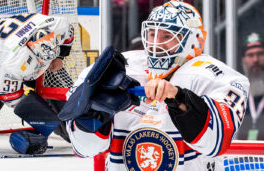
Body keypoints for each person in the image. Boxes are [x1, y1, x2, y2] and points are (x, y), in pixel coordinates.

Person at [63, 1, 250, 170]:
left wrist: (179, 98)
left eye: (167, 35)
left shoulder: (216, 76)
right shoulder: (118, 71)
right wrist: (93, 116)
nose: (155, 44)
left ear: (194, 41)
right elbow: (84, 149)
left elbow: (216, 141)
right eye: (152, 34)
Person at [0, 13, 74, 156]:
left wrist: (59, 57)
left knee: (57, 86)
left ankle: (76, 128)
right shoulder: (14, 60)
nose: (44, 63)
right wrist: (37, 112)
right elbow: (6, 95)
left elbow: (69, 32)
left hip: (17, 34)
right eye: (41, 59)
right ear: (30, 48)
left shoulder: (59, 26)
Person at [236, 32, 264, 140]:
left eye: (260, 54)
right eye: (250, 55)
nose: (255, 60)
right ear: (243, 61)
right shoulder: (236, 96)